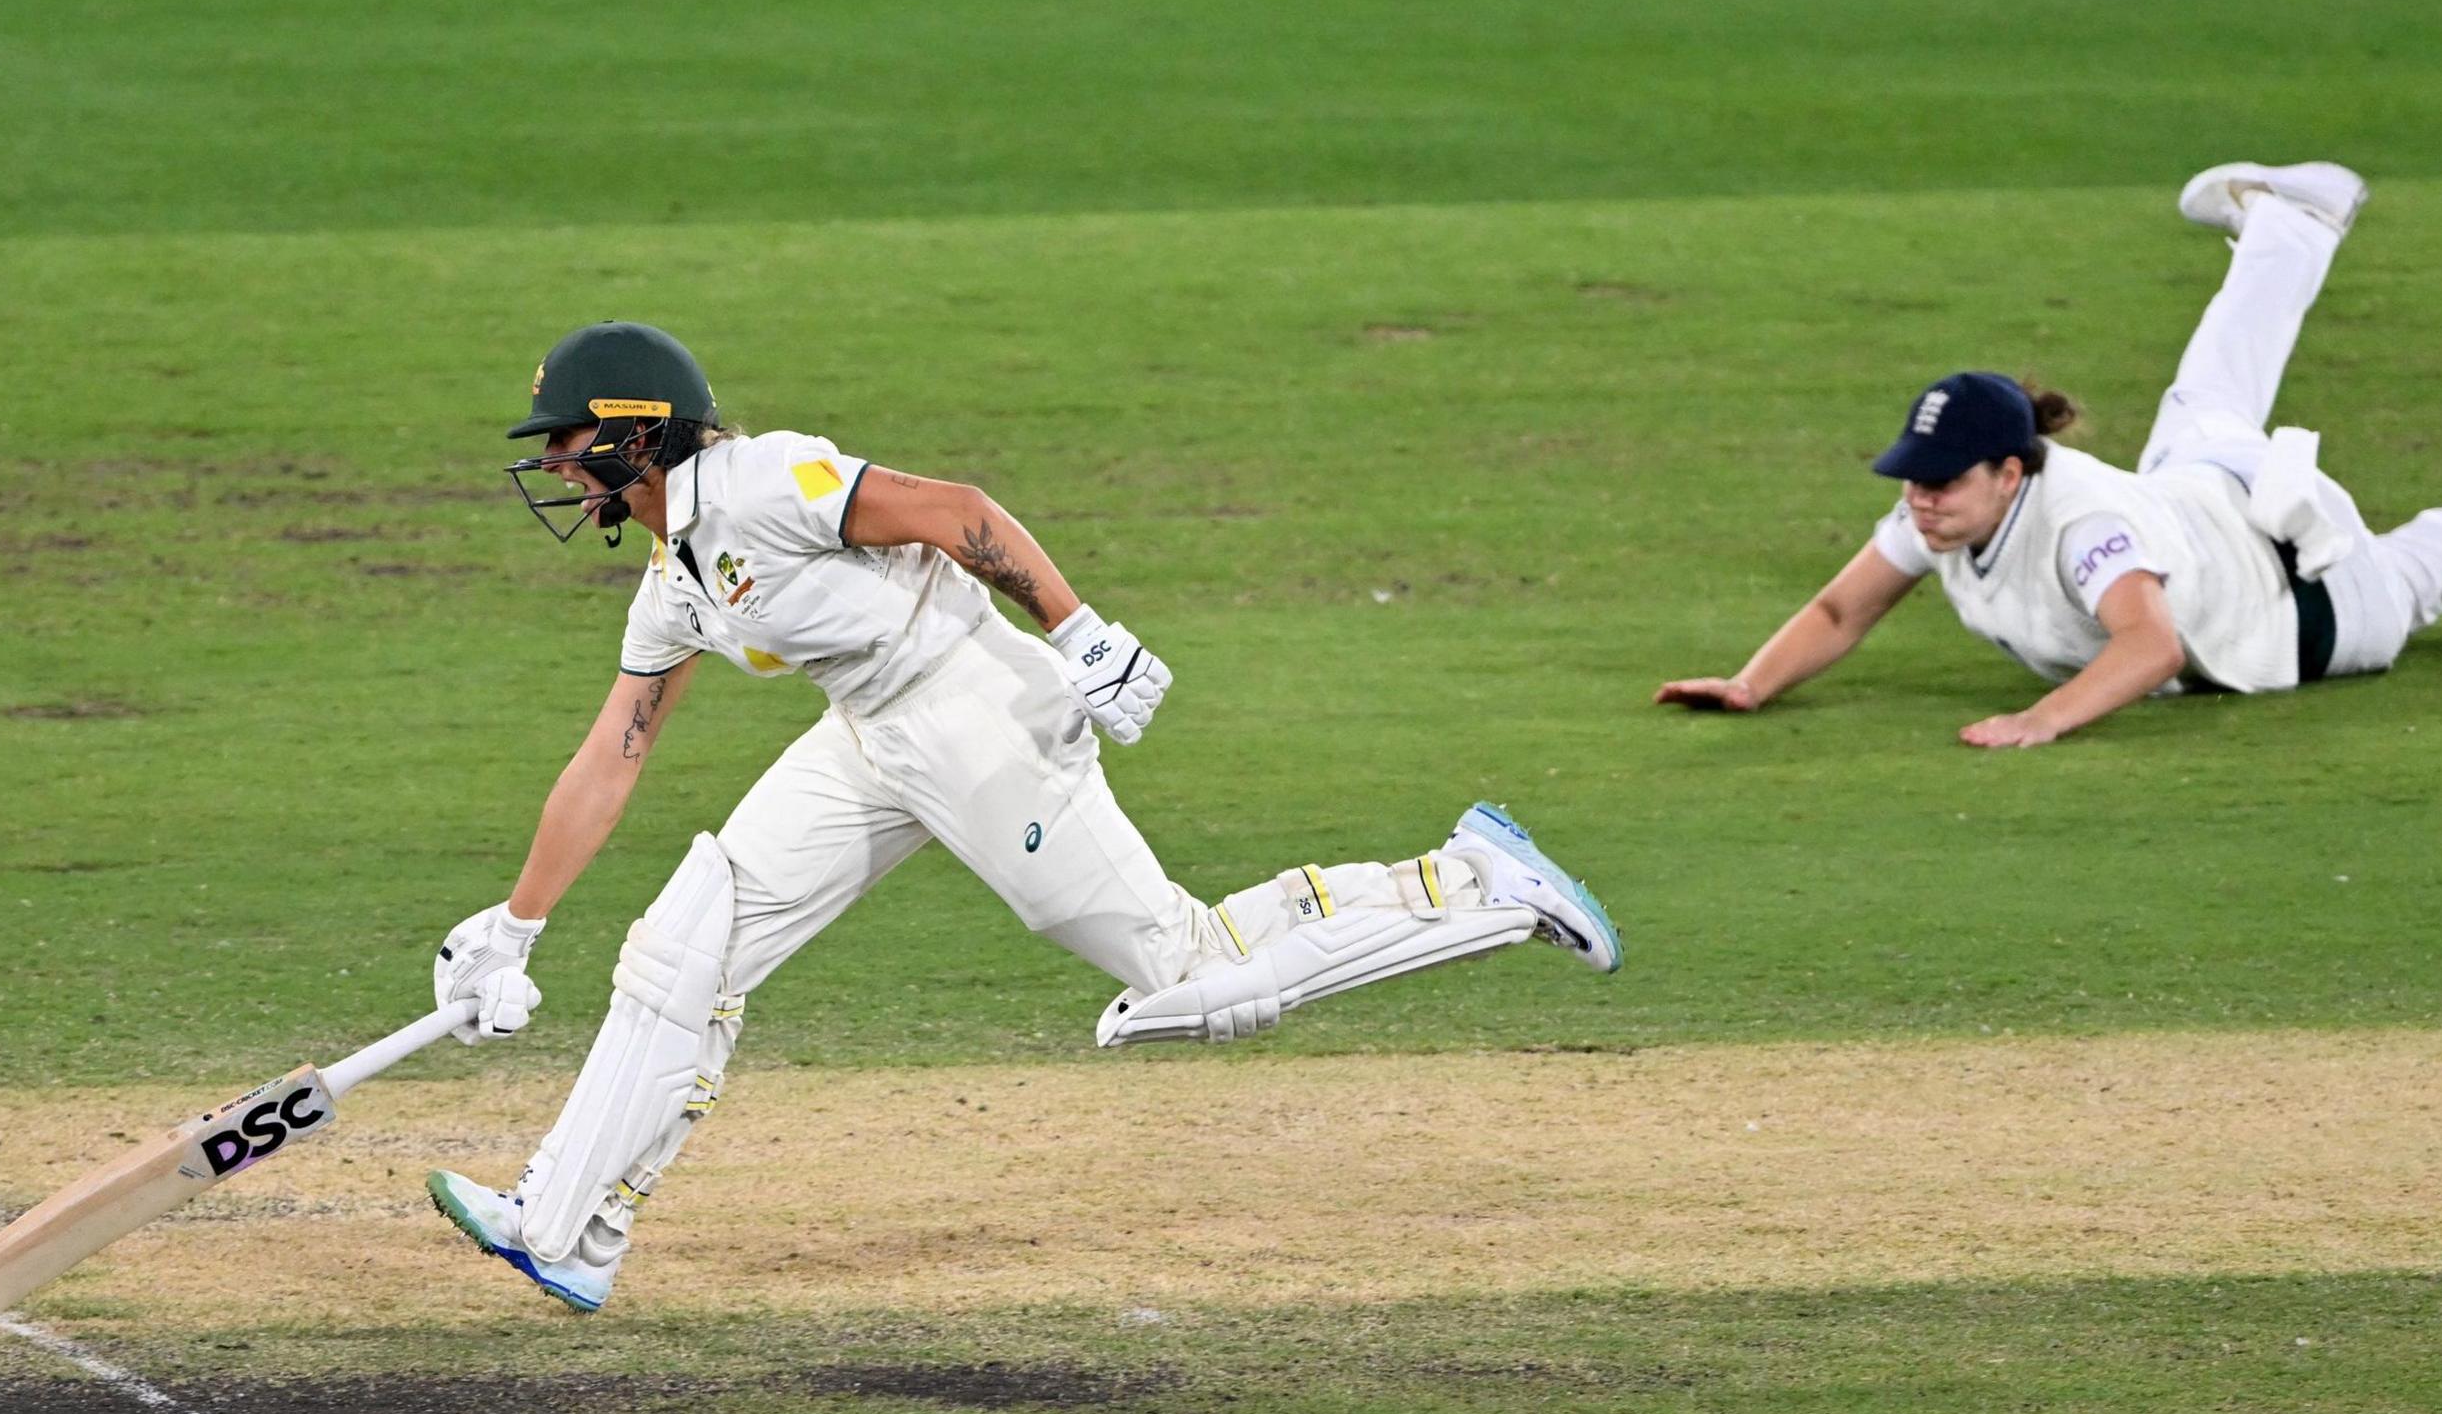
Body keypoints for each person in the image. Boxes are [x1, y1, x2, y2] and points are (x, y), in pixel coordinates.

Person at [419, 321, 1621, 1312]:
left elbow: (953, 509)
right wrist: (515, 928)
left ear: (638, 430)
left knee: (1191, 978)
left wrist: (1080, 631)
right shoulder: (675, 577)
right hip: (868, 735)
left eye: (568, 441)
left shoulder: (763, 479)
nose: (556, 466)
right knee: (690, 944)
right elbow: (614, 754)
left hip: (977, 710)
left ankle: (1479, 887)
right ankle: (569, 1226)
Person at [1658, 162, 2442, 747]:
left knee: (2415, 578)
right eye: (1913, 475)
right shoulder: (1947, 508)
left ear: (2010, 473)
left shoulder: (2083, 526)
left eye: (1941, 480)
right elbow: (1841, 607)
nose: (1920, 499)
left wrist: (2040, 721)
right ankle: (2294, 221)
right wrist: (1749, 683)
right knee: (2205, 403)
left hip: (2312, 601)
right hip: (2199, 497)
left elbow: (2151, 647)